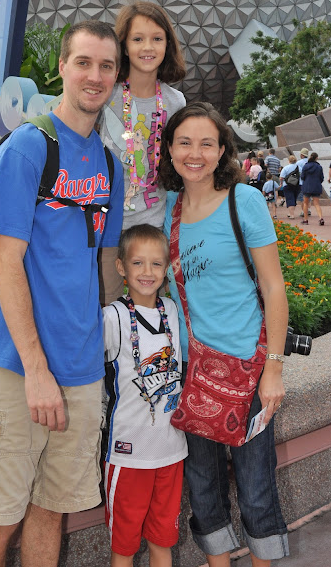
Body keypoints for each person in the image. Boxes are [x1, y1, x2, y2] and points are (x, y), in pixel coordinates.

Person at [0, 21, 125, 567]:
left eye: (106, 66)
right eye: (84, 63)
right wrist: (35, 370)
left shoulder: (110, 165)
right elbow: (6, 260)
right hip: (16, 366)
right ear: (62, 68)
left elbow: (104, 265)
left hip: (81, 369)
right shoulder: (29, 147)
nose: (94, 76)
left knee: (52, 511)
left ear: (116, 76)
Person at [159, 102, 289, 567]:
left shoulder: (243, 200)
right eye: (184, 143)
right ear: (169, 149)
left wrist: (273, 369)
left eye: (206, 144)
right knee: (203, 485)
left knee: (256, 487)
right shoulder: (169, 208)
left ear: (221, 150)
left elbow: (273, 287)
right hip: (190, 371)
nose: (195, 154)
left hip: (245, 370)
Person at [103, 224, 187, 567]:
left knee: (163, 542)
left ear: (166, 268)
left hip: (171, 451)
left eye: (156, 263)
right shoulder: (113, 317)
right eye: (138, 263)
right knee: (124, 548)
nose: (147, 272)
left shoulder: (172, 311)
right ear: (121, 266)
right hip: (128, 455)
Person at [99, 0, 186, 305]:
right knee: (108, 308)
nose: (147, 47)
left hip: (153, 225)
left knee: (151, 311)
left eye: (157, 38)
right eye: (137, 39)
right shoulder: (106, 95)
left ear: (168, 44)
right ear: (123, 46)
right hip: (107, 227)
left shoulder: (176, 102)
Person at [300, 152, 325, 225]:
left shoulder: (306, 166)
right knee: (316, 204)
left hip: (307, 186)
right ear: (317, 158)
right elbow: (321, 178)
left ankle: (305, 220)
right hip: (316, 186)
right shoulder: (319, 167)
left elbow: (302, 177)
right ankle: (321, 218)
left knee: (305, 203)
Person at [279, 154, 300, 218]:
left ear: (289, 161)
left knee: (289, 199)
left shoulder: (286, 168)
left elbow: (281, 177)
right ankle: (291, 212)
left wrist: (281, 184)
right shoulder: (299, 168)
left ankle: (292, 214)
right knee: (294, 199)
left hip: (287, 185)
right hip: (297, 185)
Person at [296, 148, 311, 217]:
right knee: (308, 197)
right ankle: (309, 209)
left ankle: (303, 211)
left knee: (303, 197)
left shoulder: (299, 163)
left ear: (302, 155)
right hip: (309, 182)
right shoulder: (310, 162)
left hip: (302, 182)